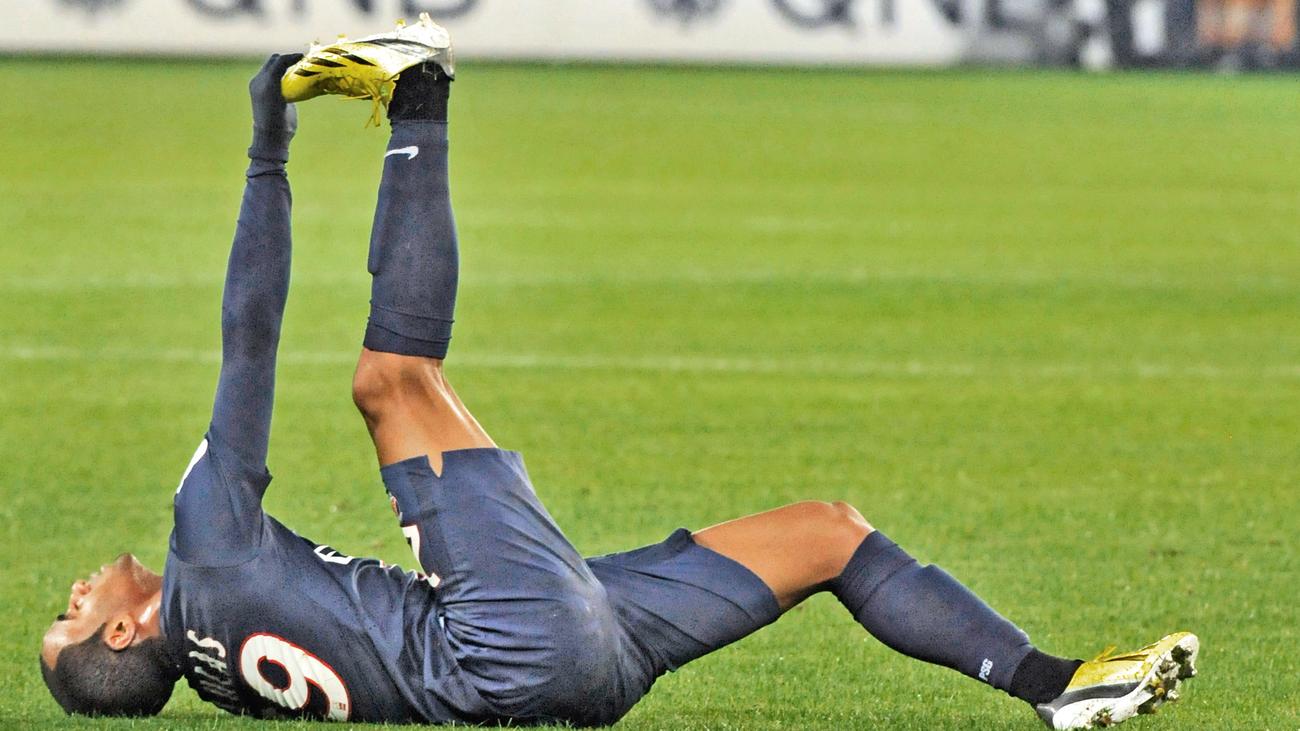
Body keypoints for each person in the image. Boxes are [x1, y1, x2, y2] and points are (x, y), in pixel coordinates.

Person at [39, 17, 1199, 730]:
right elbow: (248, 332)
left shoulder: (222, 681)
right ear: (127, 632)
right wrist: (267, 148)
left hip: (579, 674)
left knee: (827, 533)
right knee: (391, 379)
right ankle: (419, 92)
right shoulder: (203, 552)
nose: (75, 589)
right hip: (508, 637)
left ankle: (1056, 684)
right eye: (71, 614)